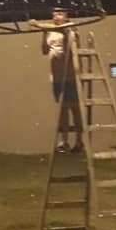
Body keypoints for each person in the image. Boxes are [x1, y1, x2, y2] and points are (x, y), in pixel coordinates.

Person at [41, 11, 83, 153]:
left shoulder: (71, 28)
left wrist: (38, 25)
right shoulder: (50, 32)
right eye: (54, 14)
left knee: (75, 108)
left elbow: (69, 48)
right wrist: (44, 34)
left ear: (66, 17)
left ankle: (79, 141)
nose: (55, 17)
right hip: (57, 77)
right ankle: (64, 141)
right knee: (62, 109)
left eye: (59, 14)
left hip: (70, 76)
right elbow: (44, 51)